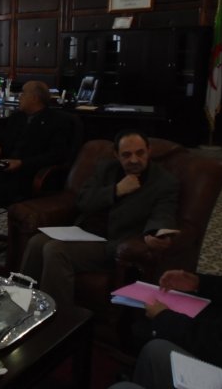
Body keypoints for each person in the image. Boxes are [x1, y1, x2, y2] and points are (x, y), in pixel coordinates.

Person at [20, 129, 179, 308]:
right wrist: (116, 190)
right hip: (86, 233)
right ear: (116, 155)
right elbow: (83, 201)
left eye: (140, 153)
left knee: (55, 250)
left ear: (149, 151)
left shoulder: (164, 182)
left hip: (115, 243)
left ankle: (57, 319)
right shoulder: (106, 169)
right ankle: (22, 305)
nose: (134, 160)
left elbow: (163, 213)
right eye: (126, 155)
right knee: (36, 242)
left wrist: (156, 233)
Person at [0, 81, 74, 259]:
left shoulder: (57, 122)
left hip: (31, 177)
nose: (19, 97)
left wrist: (22, 163)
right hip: (6, 172)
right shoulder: (18, 117)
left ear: (35, 98)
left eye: (23, 93)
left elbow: (56, 156)